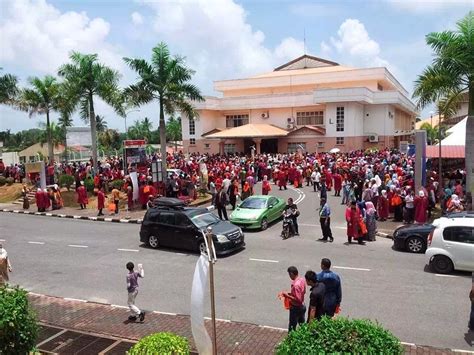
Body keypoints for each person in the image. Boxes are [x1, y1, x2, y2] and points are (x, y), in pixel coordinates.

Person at [281, 266, 306, 332]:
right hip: (302, 306)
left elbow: (298, 299)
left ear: (292, 274)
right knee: (302, 324)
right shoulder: (302, 280)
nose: (289, 276)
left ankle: (290, 340)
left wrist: (287, 296)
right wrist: (290, 293)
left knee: (292, 326)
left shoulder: (296, 285)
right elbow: (303, 292)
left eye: (289, 274)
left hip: (296, 308)